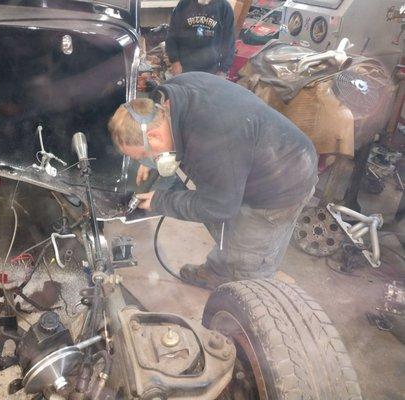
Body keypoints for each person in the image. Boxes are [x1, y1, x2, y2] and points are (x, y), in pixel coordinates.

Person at [108, 72, 318, 289]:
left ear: (154, 136)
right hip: (250, 155)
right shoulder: (168, 96)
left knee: (248, 259)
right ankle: (218, 272)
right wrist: (148, 162)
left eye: (144, 155)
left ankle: (246, 297)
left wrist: (160, 201)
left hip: (283, 181)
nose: (148, 160)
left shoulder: (213, 141)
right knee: (229, 233)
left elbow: (218, 206)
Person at [166, 0, 235, 76]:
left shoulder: (224, 8)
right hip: (183, 66)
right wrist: (175, 61)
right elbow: (172, 35)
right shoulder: (184, 4)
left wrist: (223, 69)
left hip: (211, 69)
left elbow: (229, 40)